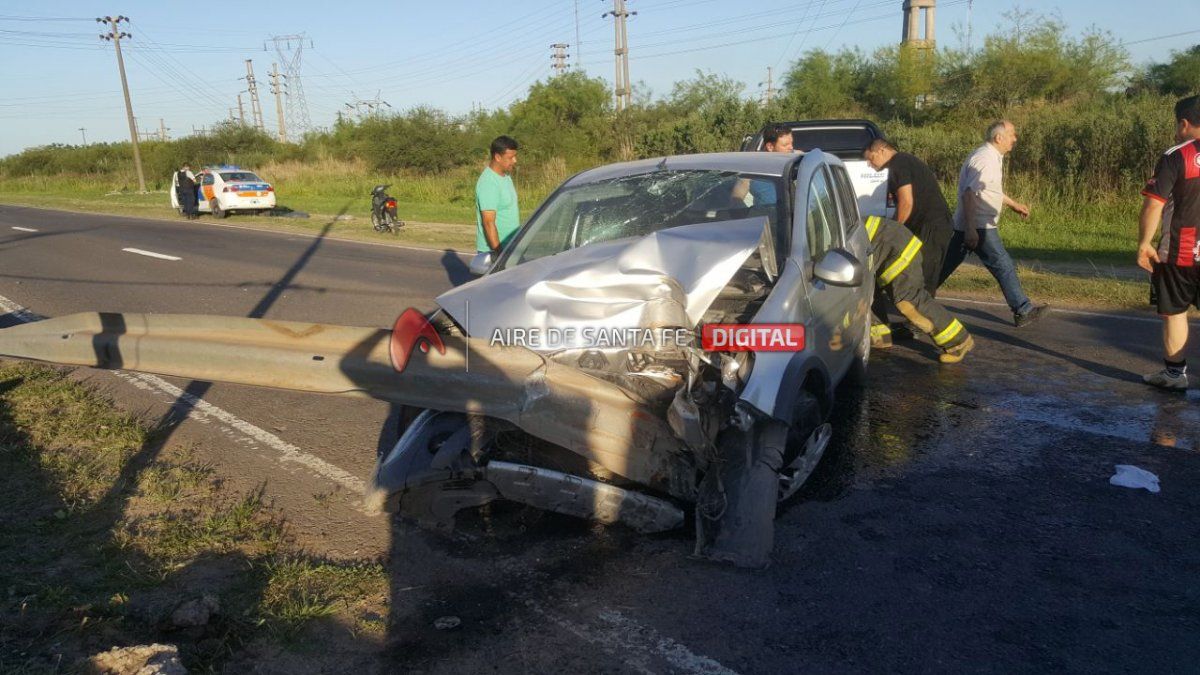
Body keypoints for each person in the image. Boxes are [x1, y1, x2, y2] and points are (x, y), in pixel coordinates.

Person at [939, 121, 1047, 327]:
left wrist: (1013, 204)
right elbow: (970, 194)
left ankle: (914, 301)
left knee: (942, 266)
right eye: (1012, 135)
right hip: (978, 226)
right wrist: (971, 228)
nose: (1015, 139)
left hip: (971, 226)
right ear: (999, 138)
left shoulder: (990, 157)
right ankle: (1023, 310)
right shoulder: (985, 159)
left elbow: (988, 189)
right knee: (1003, 265)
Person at [1137, 95, 1200, 391]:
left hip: (1179, 252)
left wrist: (1144, 243)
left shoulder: (1175, 155)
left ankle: (1175, 375)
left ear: (1185, 123)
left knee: (1175, 312)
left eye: (1178, 125)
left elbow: (1154, 205)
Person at [865, 215, 974, 363]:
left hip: (895, 245)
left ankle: (959, 341)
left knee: (908, 300)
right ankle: (879, 338)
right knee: (866, 292)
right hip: (889, 241)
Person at [862, 138, 954, 294]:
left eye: (870, 158)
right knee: (917, 273)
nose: (869, 164)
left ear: (881, 150)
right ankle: (916, 311)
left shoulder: (899, 163)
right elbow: (901, 206)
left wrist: (893, 231)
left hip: (932, 226)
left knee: (924, 277)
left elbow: (906, 202)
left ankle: (922, 316)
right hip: (930, 225)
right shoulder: (903, 161)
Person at [475, 136, 520, 258]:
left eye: (515, 156)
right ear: (498, 157)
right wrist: (500, 256)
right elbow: (488, 222)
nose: (515, 161)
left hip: (510, 248)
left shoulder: (505, 177)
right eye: (510, 157)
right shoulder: (489, 182)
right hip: (495, 252)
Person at [732, 123, 793, 205]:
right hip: (765, 215)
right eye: (786, 145)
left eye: (791, 143)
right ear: (770, 147)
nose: (791, 148)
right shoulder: (753, 168)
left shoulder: (797, 162)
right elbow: (736, 198)